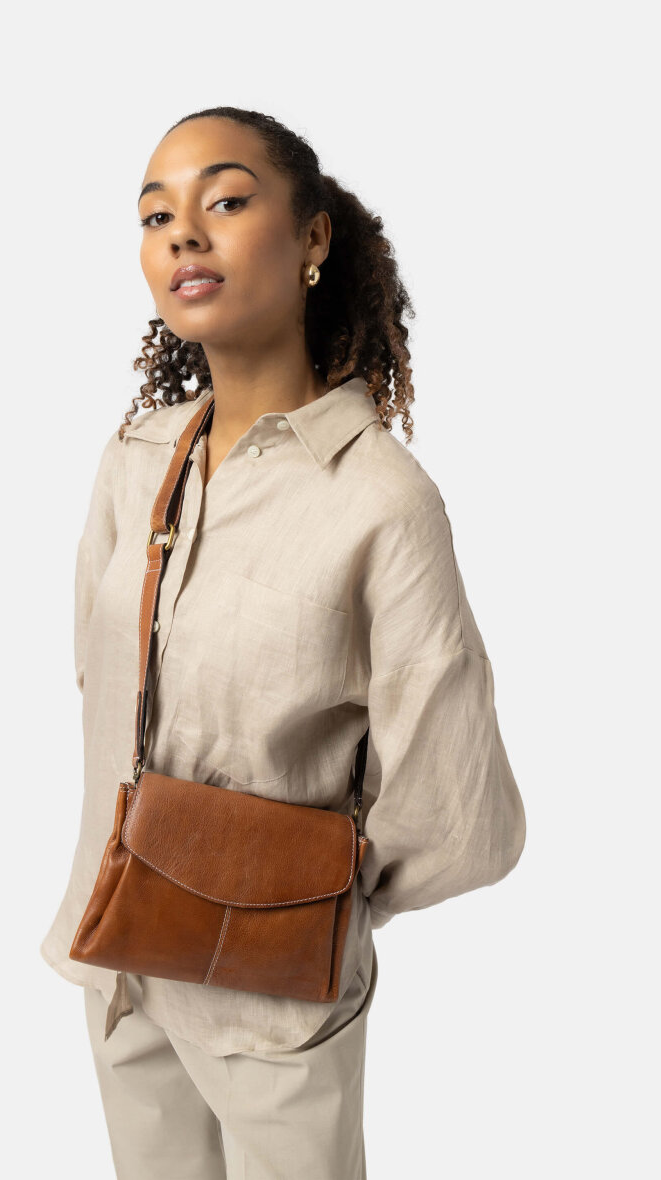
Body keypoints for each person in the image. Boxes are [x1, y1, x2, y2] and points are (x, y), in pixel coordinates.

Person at [40, 105, 526, 1179]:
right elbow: (95, 676)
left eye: (224, 200)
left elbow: (461, 813)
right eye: (155, 215)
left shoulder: (379, 500)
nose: (183, 232)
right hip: (119, 964)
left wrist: (302, 900)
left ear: (312, 239)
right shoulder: (135, 459)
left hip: (273, 1003)